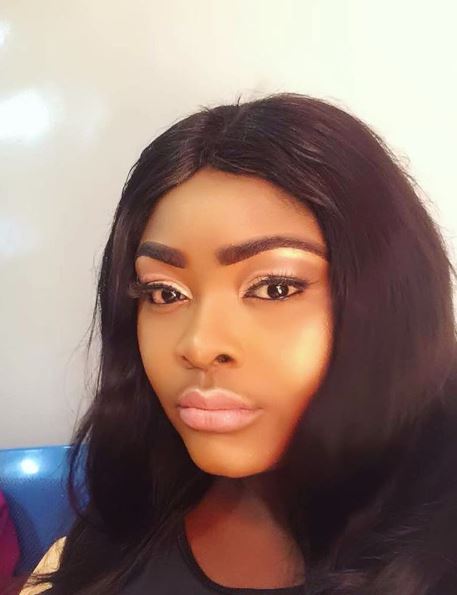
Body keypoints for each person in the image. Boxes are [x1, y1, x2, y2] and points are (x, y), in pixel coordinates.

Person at [20, 93, 457, 594]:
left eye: (275, 288)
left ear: (392, 297)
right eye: (164, 293)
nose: (198, 344)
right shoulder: (129, 508)